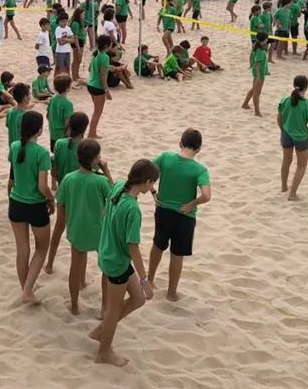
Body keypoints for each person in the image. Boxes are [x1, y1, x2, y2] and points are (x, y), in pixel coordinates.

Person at [90, 159, 160, 367]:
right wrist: (145, 279)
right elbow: (133, 248)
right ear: (146, 182)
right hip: (116, 261)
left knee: (138, 299)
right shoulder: (133, 210)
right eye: (153, 184)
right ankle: (103, 352)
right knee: (114, 309)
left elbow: (111, 193)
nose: (154, 187)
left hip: (110, 253)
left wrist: (108, 171)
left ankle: (100, 332)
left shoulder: (120, 185)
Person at [147, 128, 210, 301]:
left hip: (163, 211)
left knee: (158, 245)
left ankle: (150, 280)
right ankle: (171, 292)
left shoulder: (166, 157)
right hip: (185, 215)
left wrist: (153, 192)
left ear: (180, 144)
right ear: (198, 149)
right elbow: (206, 195)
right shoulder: (200, 170)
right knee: (177, 253)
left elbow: (146, 171)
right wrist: (193, 203)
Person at [54, 139, 112, 315]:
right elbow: (115, 197)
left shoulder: (68, 179)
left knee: (75, 267)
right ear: (95, 159)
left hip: (77, 229)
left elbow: (61, 203)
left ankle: (74, 305)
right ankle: (104, 308)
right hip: (99, 230)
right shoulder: (100, 181)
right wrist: (107, 172)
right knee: (106, 270)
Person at [8, 110, 54, 304]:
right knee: (42, 248)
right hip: (35, 205)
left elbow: (11, 178)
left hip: (16, 202)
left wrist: (9, 195)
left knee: (22, 249)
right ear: (40, 130)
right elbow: (43, 186)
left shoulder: (14, 146)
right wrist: (51, 200)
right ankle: (28, 290)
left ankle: (26, 287)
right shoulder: (42, 153)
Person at [278, 76, 308, 201]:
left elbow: (279, 118)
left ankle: (284, 186)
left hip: (286, 133)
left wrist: (283, 129)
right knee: (301, 165)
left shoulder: (285, 100)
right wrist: (306, 136)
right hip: (300, 136)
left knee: (286, 161)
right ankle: (292, 193)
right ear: (306, 87)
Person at [87, 35, 112, 139]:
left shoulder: (95, 54)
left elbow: (89, 69)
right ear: (107, 45)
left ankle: (92, 132)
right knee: (97, 112)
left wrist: (109, 67)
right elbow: (103, 76)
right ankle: (91, 134)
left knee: (96, 111)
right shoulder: (105, 57)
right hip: (98, 87)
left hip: (90, 84)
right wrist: (107, 90)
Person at [241, 32, 269, 116]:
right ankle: (257, 111)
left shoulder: (256, 47)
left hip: (260, 72)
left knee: (254, 90)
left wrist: (266, 71)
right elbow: (257, 64)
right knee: (257, 92)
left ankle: (245, 104)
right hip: (259, 74)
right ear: (264, 40)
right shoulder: (260, 50)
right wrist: (259, 77)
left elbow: (252, 57)